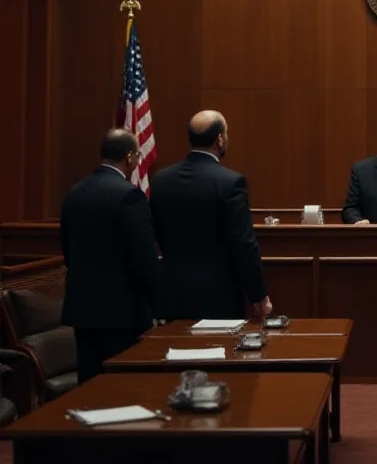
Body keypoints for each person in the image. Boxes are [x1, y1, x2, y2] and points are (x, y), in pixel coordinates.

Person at [149, 110, 272, 320]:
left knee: (173, 349)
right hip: (218, 296)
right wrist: (259, 296)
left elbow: (156, 232)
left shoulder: (161, 180)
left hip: (172, 291)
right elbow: (243, 244)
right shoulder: (231, 183)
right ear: (220, 139)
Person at [60, 129, 160, 384]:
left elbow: (68, 251)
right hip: (122, 313)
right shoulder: (129, 196)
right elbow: (144, 260)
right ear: (129, 157)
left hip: (83, 310)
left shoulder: (74, 193)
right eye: (138, 156)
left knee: (88, 385)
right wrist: (157, 302)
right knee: (119, 386)